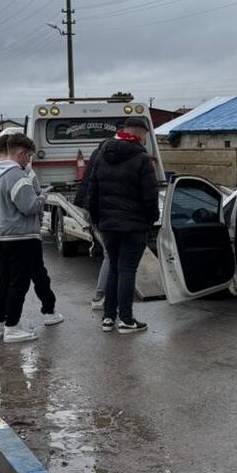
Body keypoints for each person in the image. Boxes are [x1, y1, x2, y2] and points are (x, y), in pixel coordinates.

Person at [0, 133, 55, 343]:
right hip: (21, 237)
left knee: (5, 282)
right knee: (19, 284)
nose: (28, 161)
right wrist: (42, 198)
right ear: (20, 154)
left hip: (0, 237)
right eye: (28, 156)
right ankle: (13, 328)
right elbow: (29, 206)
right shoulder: (17, 176)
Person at [87, 117, 158, 334]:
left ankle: (108, 318)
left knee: (114, 269)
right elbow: (150, 196)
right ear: (139, 135)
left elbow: (93, 191)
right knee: (127, 270)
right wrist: (151, 219)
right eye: (145, 135)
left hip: (108, 225)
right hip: (134, 225)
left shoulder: (101, 155)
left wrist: (97, 220)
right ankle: (126, 320)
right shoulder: (142, 159)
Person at [73, 139, 108, 311]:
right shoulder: (107, 157)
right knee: (111, 256)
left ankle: (101, 295)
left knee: (110, 255)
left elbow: (89, 186)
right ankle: (101, 296)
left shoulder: (97, 153)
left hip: (91, 208)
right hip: (103, 213)